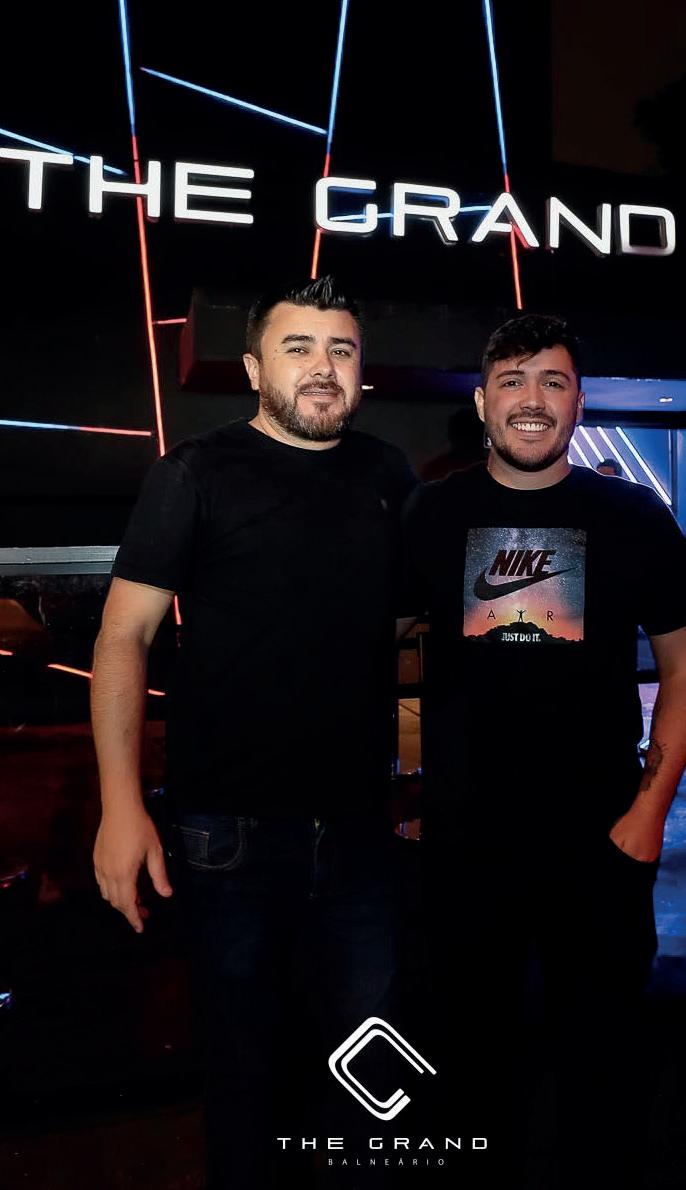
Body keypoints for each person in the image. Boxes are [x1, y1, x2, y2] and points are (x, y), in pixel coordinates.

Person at [91, 276, 416, 1189]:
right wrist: (121, 806)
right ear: (251, 369)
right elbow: (123, 639)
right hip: (227, 832)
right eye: (298, 348)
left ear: (360, 371)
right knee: (245, 1078)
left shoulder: (389, 475)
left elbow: (402, 624)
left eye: (341, 350)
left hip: (359, 830)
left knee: (368, 1080)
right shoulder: (194, 472)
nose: (322, 368)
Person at [402, 314, 686, 1189]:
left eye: (553, 382)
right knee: (471, 1075)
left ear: (579, 402)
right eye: (514, 381)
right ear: (483, 403)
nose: (533, 400)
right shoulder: (433, 512)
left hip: (601, 846)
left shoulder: (633, 515)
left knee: (606, 1077)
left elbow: (684, 668)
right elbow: (372, 650)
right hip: (465, 850)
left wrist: (649, 811)